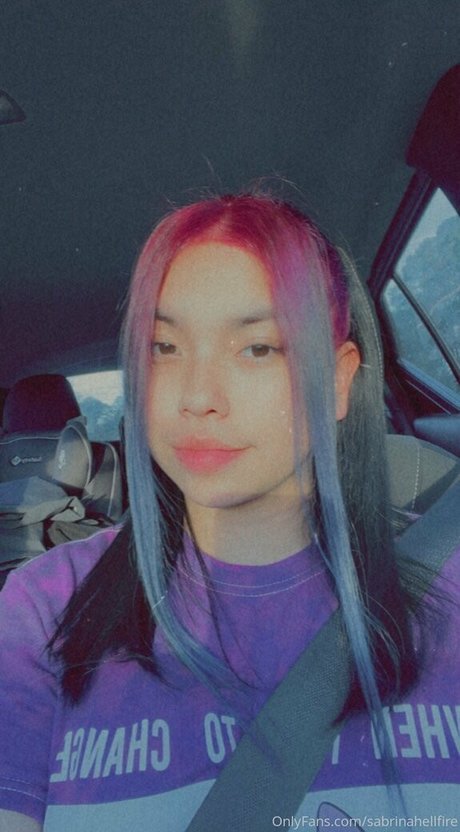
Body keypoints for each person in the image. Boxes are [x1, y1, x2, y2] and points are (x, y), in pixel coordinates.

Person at [0, 193, 458, 832]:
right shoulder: (40, 610)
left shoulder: (447, 590)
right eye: (164, 347)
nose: (197, 397)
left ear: (338, 381)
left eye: (258, 348)